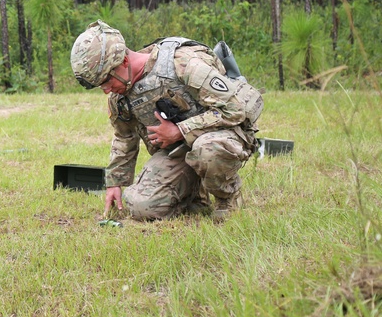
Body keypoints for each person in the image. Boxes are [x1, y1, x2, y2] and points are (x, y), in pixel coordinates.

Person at [69, 21, 263, 223]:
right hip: (180, 151)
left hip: (224, 135)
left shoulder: (183, 64)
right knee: (141, 207)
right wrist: (114, 183)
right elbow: (124, 137)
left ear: (124, 62)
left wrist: (180, 130)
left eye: (107, 81)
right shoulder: (120, 96)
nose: (107, 89)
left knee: (207, 150)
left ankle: (228, 198)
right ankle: (194, 194)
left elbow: (236, 108)